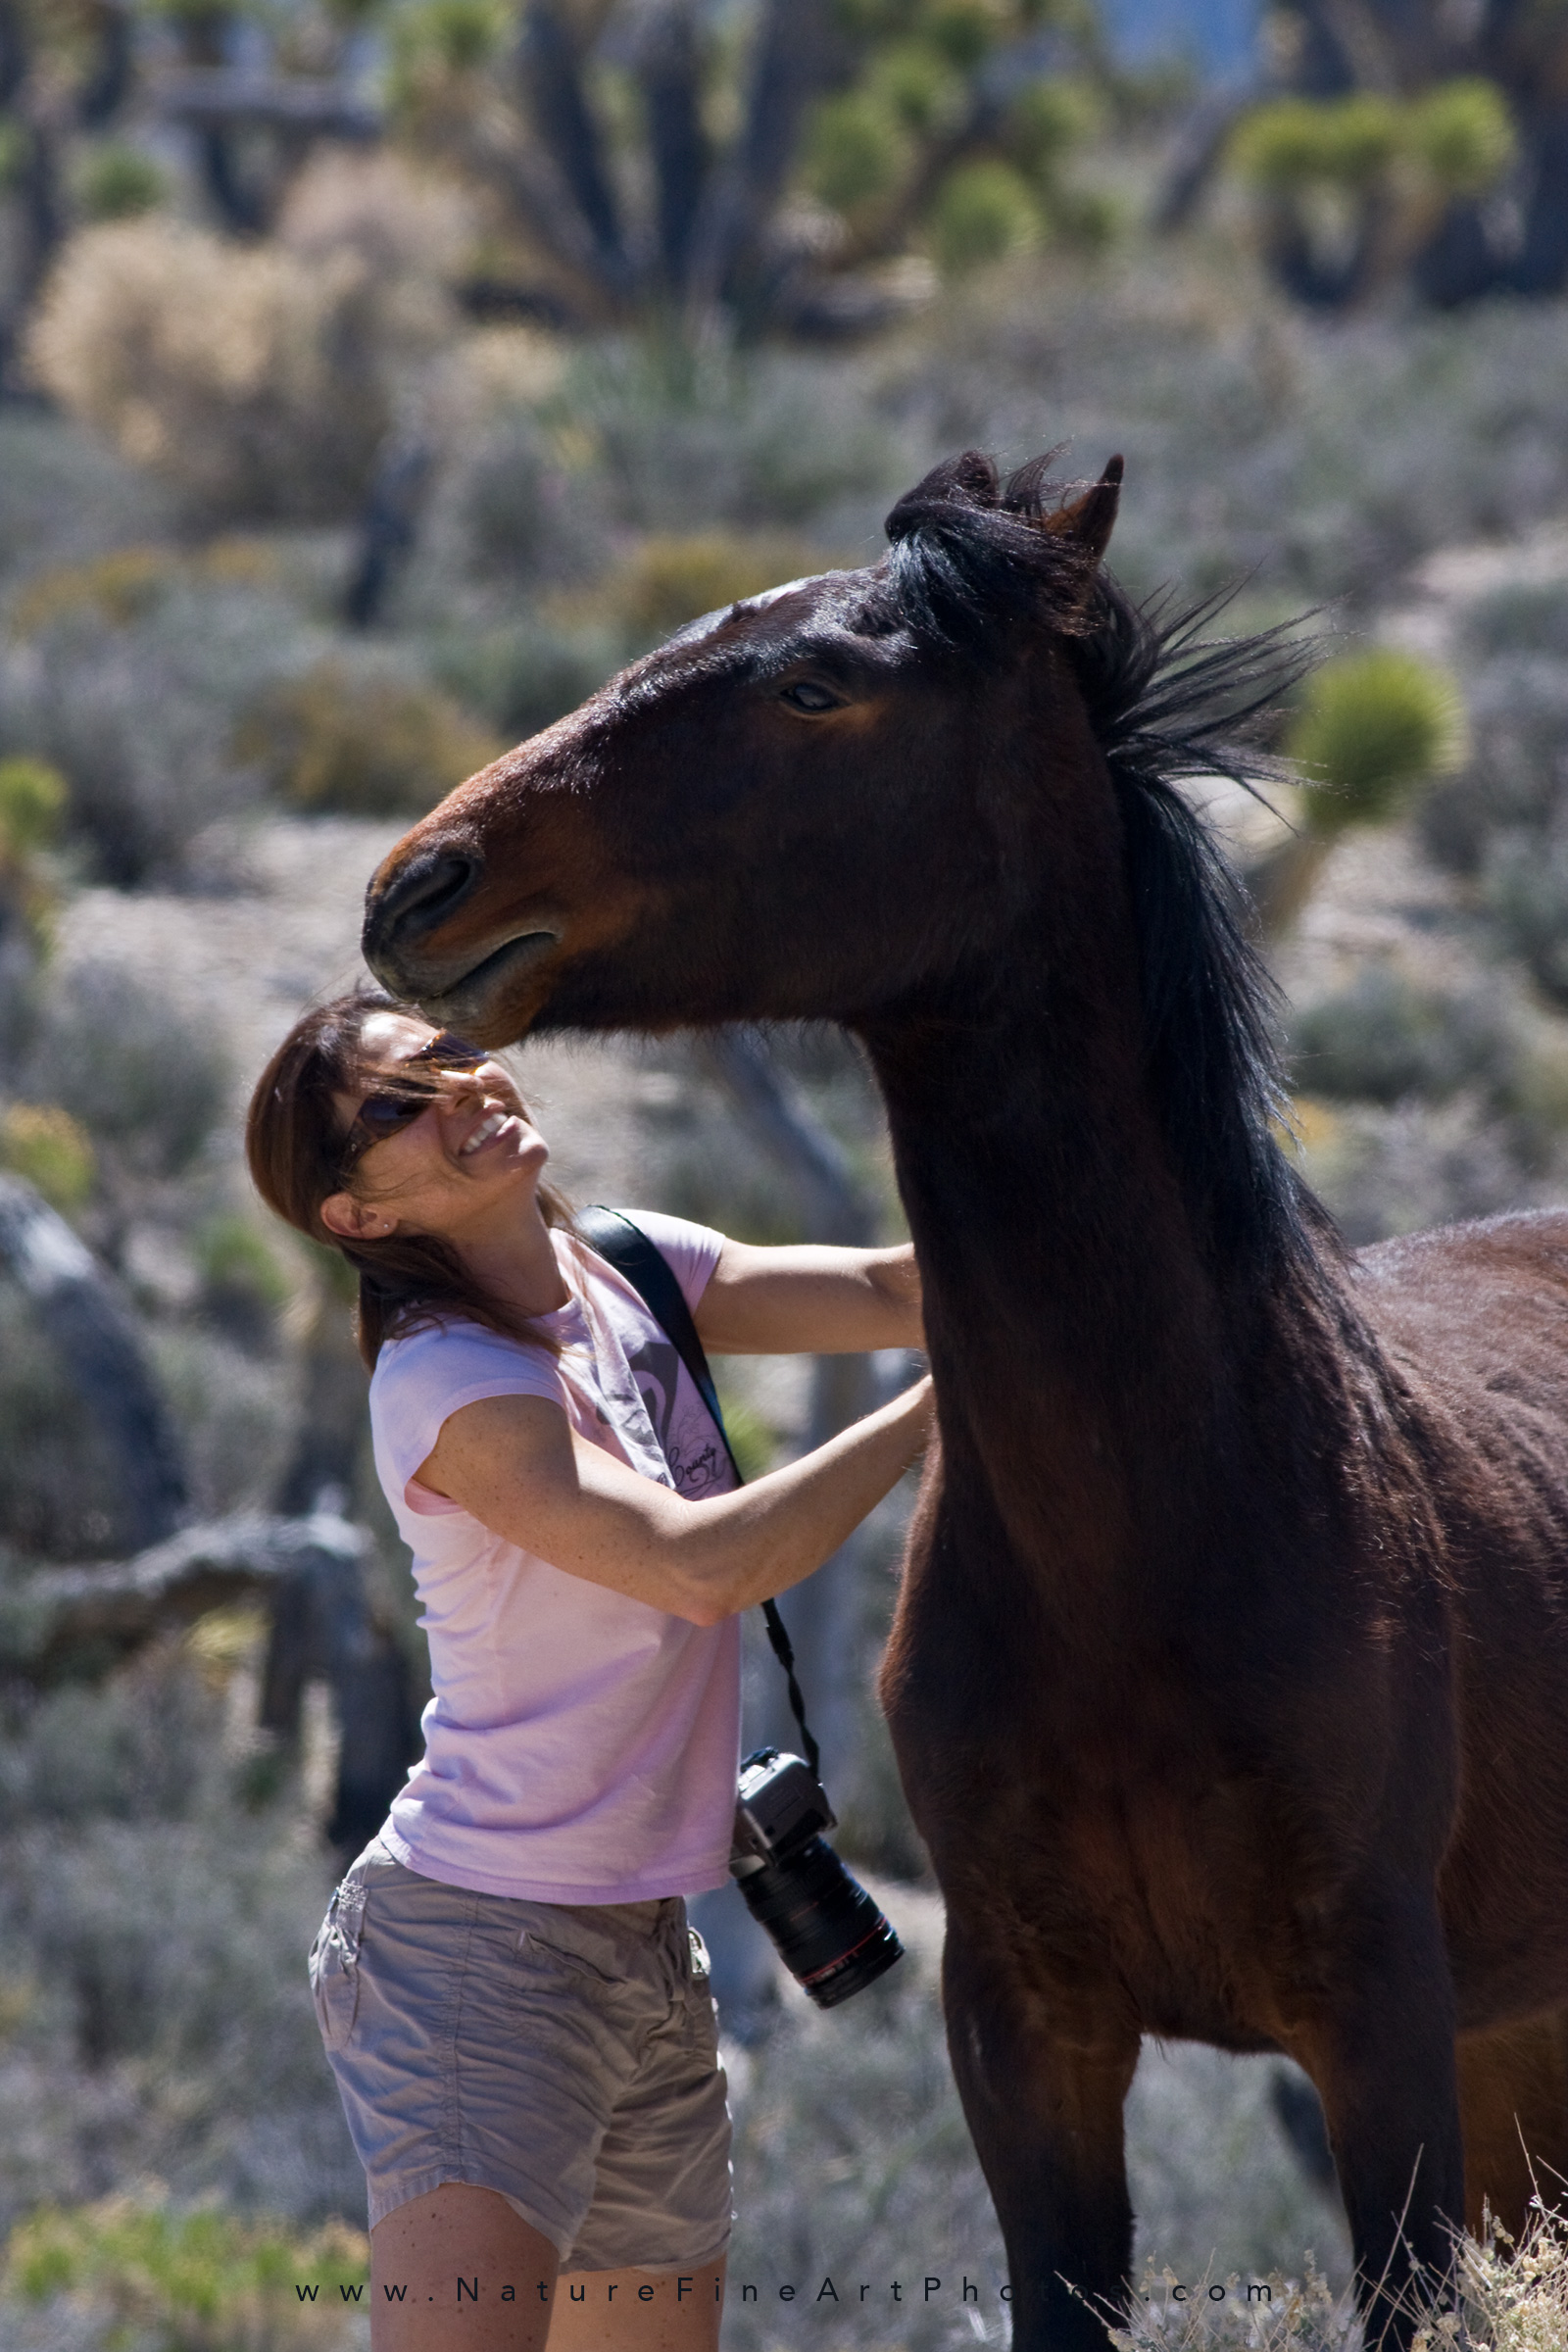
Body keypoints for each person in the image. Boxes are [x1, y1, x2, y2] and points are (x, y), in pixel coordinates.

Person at [245, 992, 932, 2352]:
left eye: (449, 1054)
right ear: (358, 1218)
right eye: (397, 1106)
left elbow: (886, 1291)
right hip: (473, 1959)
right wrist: (948, 1398)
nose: (461, 1089)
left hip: (644, 1949)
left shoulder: (625, 1269)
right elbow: (696, 1566)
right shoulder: (449, 1380)